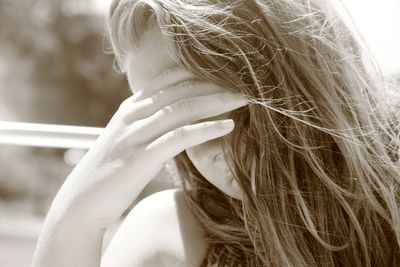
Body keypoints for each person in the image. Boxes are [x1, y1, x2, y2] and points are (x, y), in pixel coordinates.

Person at [32, 0, 400, 266]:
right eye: (165, 121)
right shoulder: (172, 234)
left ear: (292, 75)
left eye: (195, 99)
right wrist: (76, 217)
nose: (198, 144)